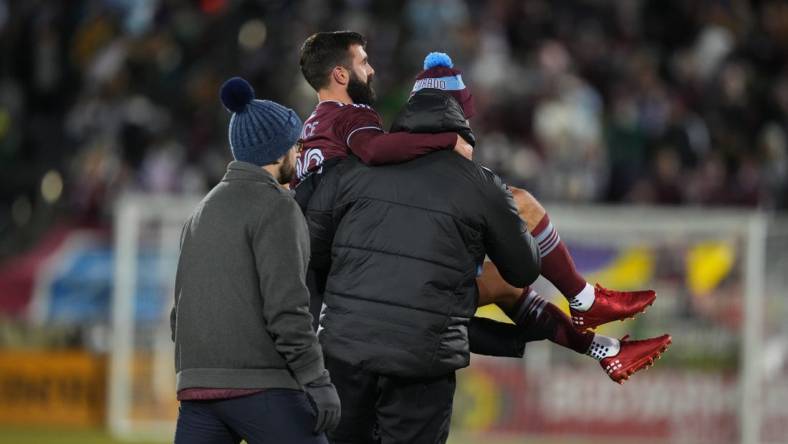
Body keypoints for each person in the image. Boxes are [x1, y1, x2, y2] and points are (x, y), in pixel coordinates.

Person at [399, 53, 671, 383]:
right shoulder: (432, 154)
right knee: (521, 204)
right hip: (405, 295)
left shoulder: (396, 151)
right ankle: (585, 299)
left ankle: (607, 349)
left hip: (409, 291)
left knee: (506, 282)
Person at [306, 91, 542, 444]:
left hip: (344, 350)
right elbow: (523, 270)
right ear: (460, 137)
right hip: (424, 361)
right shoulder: (481, 185)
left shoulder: (352, 171)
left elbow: (310, 251)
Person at [170, 77, 340, 444]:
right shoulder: (277, 207)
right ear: (277, 152)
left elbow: (178, 313)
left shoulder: (201, 211)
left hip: (197, 389)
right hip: (259, 386)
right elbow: (287, 309)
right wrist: (316, 379)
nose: (299, 151)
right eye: (295, 143)